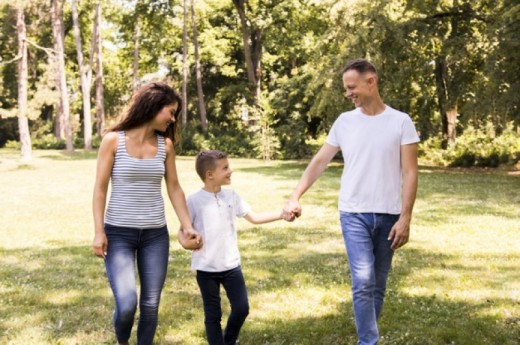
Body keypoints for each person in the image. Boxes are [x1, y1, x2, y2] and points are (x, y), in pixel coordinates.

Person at [283, 59, 419, 345]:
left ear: (371, 82)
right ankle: (368, 341)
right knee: (363, 281)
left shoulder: (400, 121)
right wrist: (296, 195)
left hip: (389, 216)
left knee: (378, 284)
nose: (348, 93)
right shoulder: (345, 122)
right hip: (353, 214)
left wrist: (405, 218)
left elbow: (410, 172)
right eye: (346, 89)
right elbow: (320, 161)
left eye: (352, 87)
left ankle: (367, 337)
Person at [92, 82, 202, 345]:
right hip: (118, 234)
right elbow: (99, 189)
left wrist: (186, 225)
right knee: (128, 303)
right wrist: (99, 232)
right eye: (171, 111)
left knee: (151, 304)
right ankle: (122, 341)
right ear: (153, 107)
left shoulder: (166, 145)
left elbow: (174, 188)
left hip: (155, 235)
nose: (173, 119)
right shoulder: (113, 141)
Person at [178, 149, 293, 345]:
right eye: (225, 168)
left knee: (241, 308)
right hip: (206, 269)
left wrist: (281, 214)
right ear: (210, 175)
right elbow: (182, 231)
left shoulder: (231, 196)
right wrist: (186, 243)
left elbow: (254, 218)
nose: (230, 171)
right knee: (212, 315)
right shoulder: (194, 201)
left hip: (231, 266)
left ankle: (228, 340)